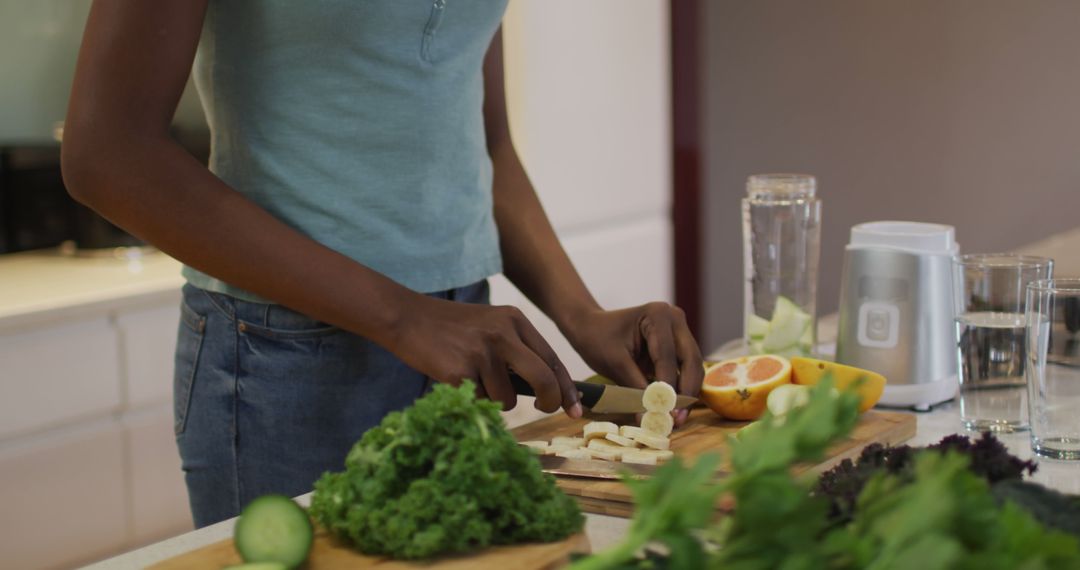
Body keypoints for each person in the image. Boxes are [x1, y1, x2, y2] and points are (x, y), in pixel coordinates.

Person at [62, 0, 703, 528]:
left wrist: (581, 314)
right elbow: (106, 152)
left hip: (462, 340)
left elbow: (484, 142)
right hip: (281, 359)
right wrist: (403, 317)